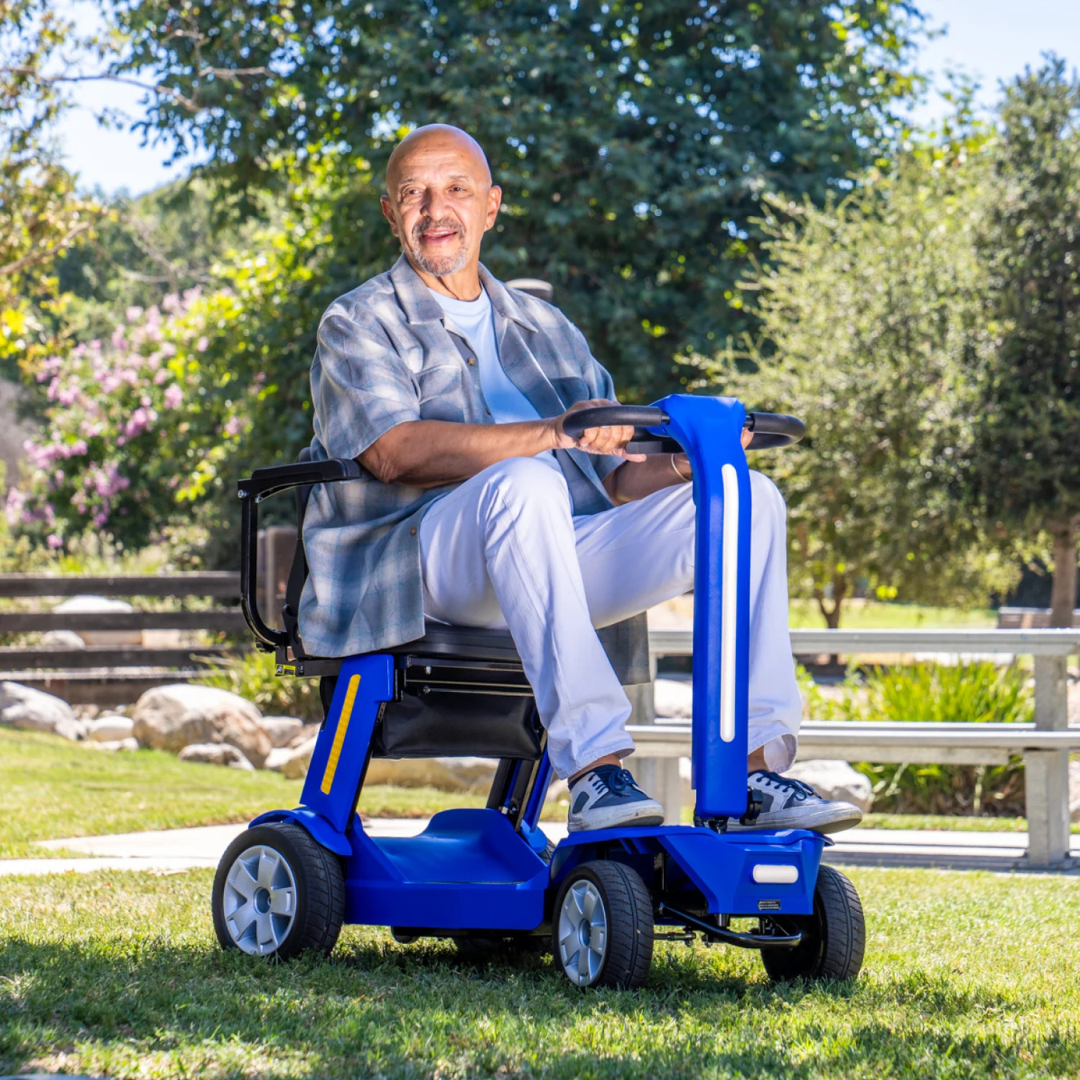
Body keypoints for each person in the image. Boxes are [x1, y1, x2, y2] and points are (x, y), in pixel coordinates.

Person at [299, 123, 861, 835]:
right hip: (422, 562)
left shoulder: (549, 330)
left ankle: (749, 774)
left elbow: (612, 481)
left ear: (491, 205)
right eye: (414, 193)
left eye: (456, 190)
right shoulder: (359, 320)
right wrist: (551, 433)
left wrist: (690, 463)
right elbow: (395, 454)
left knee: (746, 500)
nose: (435, 210)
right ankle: (596, 771)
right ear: (390, 212)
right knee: (527, 483)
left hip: (555, 549)